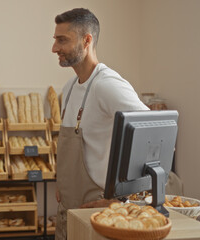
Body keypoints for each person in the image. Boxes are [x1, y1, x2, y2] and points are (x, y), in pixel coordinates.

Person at [51, 8, 149, 239]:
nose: (54, 48)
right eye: (55, 40)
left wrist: (123, 199)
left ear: (87, 40)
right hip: (68, 210)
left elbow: (151, 133)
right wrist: (62, 184)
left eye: (62, 40)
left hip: (99, 214)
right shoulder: (70, 87)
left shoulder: (107, 85)